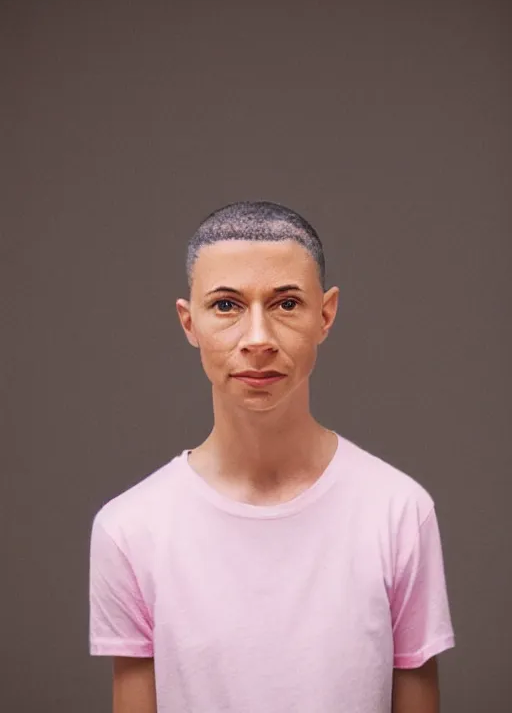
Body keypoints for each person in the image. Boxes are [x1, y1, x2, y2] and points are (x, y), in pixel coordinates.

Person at [89, 199, 455, 713]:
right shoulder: (129, 530)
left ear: (325, 315)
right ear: (188, 321)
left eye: (286, 304)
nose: (257, 340)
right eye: (226, 306)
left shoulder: (398, 512)